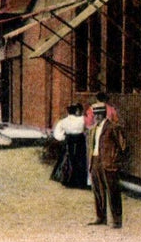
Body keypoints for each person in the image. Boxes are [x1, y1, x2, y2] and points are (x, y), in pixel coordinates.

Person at [86, 94, 129, 229]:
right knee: (98, 191)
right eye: (95, 115)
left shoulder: (112, 128)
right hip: (95, 161)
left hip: (109, 163)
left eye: (98, 115)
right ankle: (101, 217)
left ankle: (116, 220)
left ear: (103, 115)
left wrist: (115, 160)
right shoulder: (93, 130)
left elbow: (123, 146)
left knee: (113, 192)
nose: (96, 117)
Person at [51, 103, 88, 189]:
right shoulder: (82, 119)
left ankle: (68, 180)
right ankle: (79, 182)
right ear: (77, 111)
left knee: (68, 160)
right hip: (80, 141)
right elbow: (89, 128)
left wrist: (64, 138)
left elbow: (57, 134)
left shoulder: (63, 121)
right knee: (80, 160)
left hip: (69, 141)